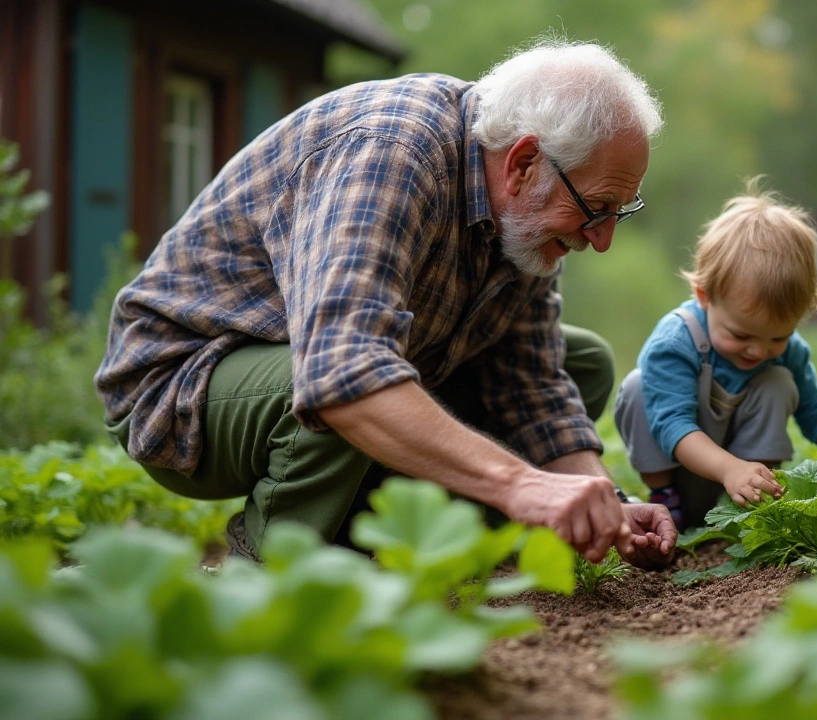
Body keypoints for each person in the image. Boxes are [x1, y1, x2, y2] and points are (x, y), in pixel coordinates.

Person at [94, 39, 676, 569]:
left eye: (618, 214)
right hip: (186, 387)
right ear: (524, 164)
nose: (601, 240)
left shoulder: (525, 217)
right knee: (347, 387)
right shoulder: (393, 151)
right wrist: (521, 484)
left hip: (339, 359)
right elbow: (339, 371)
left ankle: (372, 537)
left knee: (583, 362)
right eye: (597, 209)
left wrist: (610, 501)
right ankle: (266, 573)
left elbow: (532, 387)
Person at [613, 180, 817, 529]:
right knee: (638, 386)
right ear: (704, 296)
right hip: (682, 472)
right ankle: (666, 501)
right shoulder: (675, 342)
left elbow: (815, 407)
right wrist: (729, 468)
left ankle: (756, 505)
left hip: (749, 477)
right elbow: (673, 425)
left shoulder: (787, 352)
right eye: (741, 334)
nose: (759, 350)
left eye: (778, 336)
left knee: (778, 380)